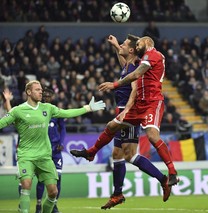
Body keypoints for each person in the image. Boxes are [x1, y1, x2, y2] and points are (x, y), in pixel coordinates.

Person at [70, 36, 179, 187]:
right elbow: (127, 67)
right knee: (111, 127)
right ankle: (91, 152)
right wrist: (117, 46)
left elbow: (134, 75)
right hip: (139, 105)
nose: (137, 46)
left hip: (152, 103)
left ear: (146, 43)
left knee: (150, 138)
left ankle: (171, 173)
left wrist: (114, 85)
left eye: (138, 43)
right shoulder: (142, 59)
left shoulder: (153, 55)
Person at [0, 80, 106, 213]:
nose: (41, 92)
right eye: (37, 90)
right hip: (26, 156)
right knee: (26, 184)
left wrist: (87, 108)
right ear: (28, 92)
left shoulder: (47, 108)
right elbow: (2, 123)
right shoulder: (18, 111)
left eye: (41, 90)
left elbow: (67, 113)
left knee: (53, 192)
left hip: (45, 157)